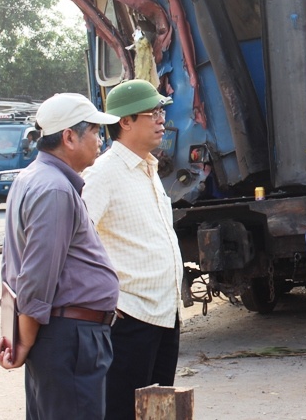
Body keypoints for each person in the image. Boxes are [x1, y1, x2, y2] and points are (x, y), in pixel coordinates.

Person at [0, 93, 120, 419]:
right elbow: (35, 278)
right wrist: (23, 342)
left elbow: (12, 267)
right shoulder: (55, 190)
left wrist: (20, 334)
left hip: (60, 336)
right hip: (68, 338)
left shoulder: (33, 178)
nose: (99, 140)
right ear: (69, 137)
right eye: (94, 131)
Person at [82, 79, 184, 420]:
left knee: (157, 410)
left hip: (164, 313)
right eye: (152, 113)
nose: (161, 120)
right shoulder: (103, 174)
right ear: (124, 122)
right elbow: (75, 241)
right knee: (124, 411)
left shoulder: (148, 167)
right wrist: (103, 295)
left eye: (161, 112)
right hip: (130, 318)